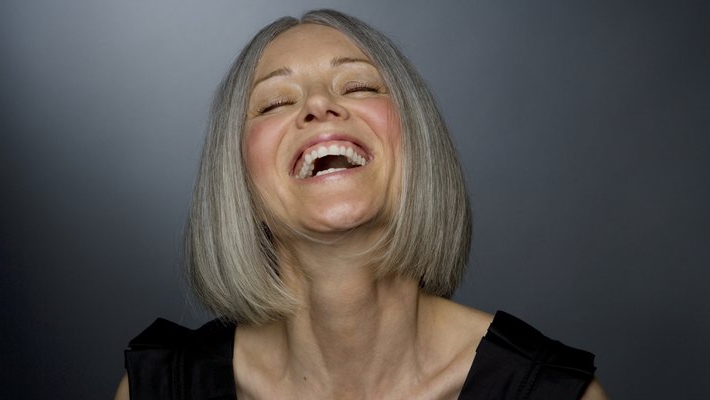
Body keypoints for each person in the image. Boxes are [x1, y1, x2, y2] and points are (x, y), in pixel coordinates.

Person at [115, 9, 608, 400]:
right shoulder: (156, 390)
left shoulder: (550, 390)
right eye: (274, 103)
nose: (318, 106)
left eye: (358, 86)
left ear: (418, 147)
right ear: (237, 182)